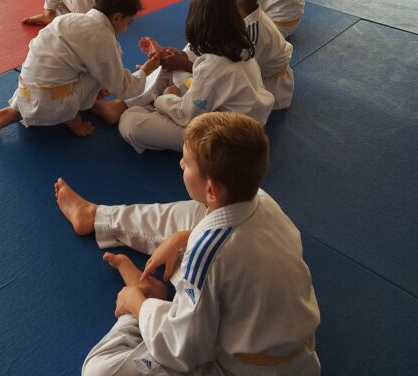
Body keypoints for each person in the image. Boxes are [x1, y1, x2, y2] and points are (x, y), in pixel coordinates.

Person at [55, 111, 321, 376]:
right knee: (193, 214)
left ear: (211, 190)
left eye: (187, 162)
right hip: (286, 346)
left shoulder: (209, 252)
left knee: (98, 371)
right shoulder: (263, 200)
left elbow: (182, 349)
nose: (181, 164)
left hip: (240, 368)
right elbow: (236, 243)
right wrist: (183, 237)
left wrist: (136, 304)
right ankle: (96, 216)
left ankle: (145, 293)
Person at [95, 0, 274, 154]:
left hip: (226, 139)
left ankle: (139, 104)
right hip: (222, 110)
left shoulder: (215, 66)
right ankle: (125, 103)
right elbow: (200, 69)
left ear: (196, 22)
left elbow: (186, 115)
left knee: (131, 123)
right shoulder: (238, 44)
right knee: (169, 68)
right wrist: (170, 58)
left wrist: (166, 97)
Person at [0, 0, 160, 137]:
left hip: (25, 85)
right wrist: (147, 69)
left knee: (90, 70)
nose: (126, 28)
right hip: (51, 98)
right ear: (116, 18)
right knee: (102, 72)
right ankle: (73, 120)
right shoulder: (103, 38)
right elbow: (123, 87)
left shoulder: (69, 18)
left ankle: (16, 109)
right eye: (128, 23)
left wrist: (101, 85)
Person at [224, 0, 294, 109]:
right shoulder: (244, 11)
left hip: (269, 89)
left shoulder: (252, 32)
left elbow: (237, 72)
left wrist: (190, 66)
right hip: (256, 70)